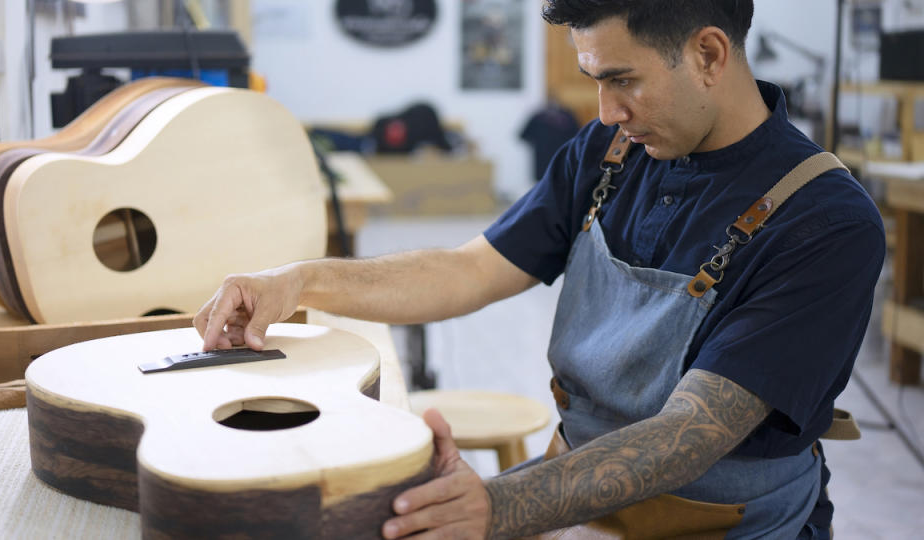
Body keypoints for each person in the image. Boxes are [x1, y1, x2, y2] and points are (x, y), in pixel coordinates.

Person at [194, 1, 884, 538]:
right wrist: (299, 281)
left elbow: (686, 437)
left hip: (716, 522)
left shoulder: (823, 222)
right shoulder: (612, 153)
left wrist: (495, 507)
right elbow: (469, 270)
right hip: (576, 484)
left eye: (623, 81)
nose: (606, 112)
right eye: (594, 81)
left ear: (707, 54)